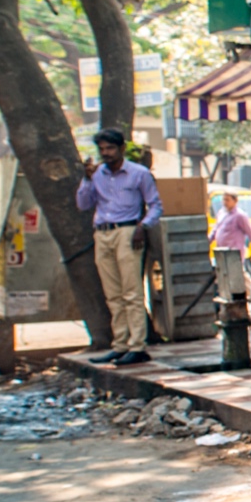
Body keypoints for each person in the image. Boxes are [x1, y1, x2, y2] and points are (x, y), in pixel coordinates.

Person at [76, 128, 162, 366]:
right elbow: (83, 204)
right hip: (102, 233)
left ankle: (137, 345)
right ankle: (120, 344)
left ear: (121, 149)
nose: (106, 154)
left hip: (128, 231)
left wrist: (142, 226)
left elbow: (155, 205)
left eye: (110, 148)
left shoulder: (139, 174)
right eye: (102, 149)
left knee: (131, 291)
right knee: (113, 293)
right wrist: (86, 179)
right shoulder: (97, 174)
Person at [209, 191, 251, 267]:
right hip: (221, 253)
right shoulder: (221, 213)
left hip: (233, 254)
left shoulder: (240, 216)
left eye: (227, 200)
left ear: (235, 201)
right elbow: (215, 230)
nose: (225, 202)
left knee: (236, 274)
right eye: (224, 200)